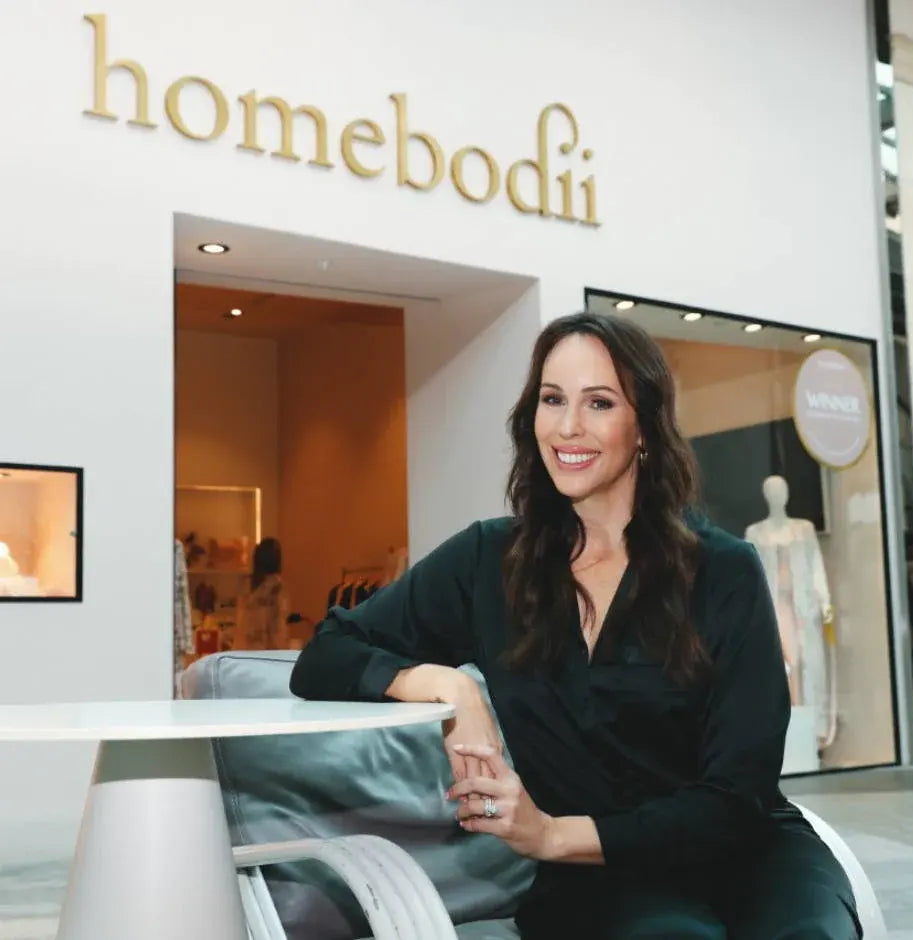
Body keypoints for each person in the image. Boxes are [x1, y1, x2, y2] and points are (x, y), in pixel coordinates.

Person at [290, 312, 861, 939]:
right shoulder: (488, 561)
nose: (568, 426)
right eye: (552, 399)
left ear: (645, 426)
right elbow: (326, 654)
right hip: (605, 879)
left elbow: (739, 794)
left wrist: (552, 834)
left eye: (599, 402)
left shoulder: (724, 569)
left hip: (749, 856)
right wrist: (451, 687)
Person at [237, 537, 290, 650]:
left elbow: (240, 620)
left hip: (246, 648)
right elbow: (279, 625)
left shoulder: (247, 585)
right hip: (268, 650)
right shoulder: (277, 587)